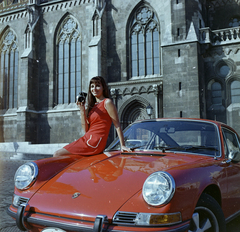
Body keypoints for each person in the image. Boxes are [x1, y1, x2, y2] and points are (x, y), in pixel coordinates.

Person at [53, 76, 131, 157]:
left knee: (57, 154)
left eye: (97, 85)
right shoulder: (91, 106)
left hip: (94, 142)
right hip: (87, 139)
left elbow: (117, 125)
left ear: (103, 87)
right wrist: (82, 110)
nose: (94, 89)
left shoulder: (107, 102)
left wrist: (122, 145)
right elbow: (86, 130)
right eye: (92, 86)